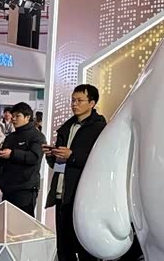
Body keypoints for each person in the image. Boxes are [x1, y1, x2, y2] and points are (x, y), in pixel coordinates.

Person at [44, 84, 106, 261]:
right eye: (72, 100)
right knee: (64, 247)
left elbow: (100, 160)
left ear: (92, 103)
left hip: (82, 195)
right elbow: (57, 163)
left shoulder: (99, 128)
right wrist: (52, 154)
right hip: (61, 193)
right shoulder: (67, 126)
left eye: (79, 100)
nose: (74, 104)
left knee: (86, 247)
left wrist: (72, 156)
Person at [0, 102, 45, 216]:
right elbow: (3, 160)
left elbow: (34, 157)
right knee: (8, 220)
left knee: (22, 222)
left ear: (27, 117)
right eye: (13, 116)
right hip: (8, 187)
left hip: (25, 189)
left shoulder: (37, 136)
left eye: (17, 116)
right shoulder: (11, 137)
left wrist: (13, 154)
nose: (14, 119)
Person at [0, 108, 14, 189]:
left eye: (9, 113)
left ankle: (5, 181)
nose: (7, 114)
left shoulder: (13, 123)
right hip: (0, 146)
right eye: (5, 112)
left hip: (10, 147)